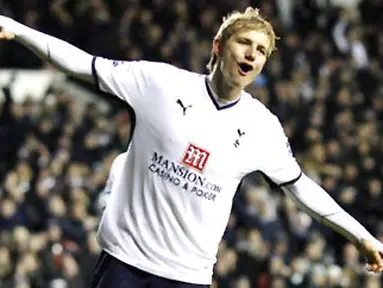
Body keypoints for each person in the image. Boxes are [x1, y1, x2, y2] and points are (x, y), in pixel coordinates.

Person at [1, 7, 383, 288]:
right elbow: (84, 65)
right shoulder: (159, 83)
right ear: (218, 45)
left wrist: (359, 235)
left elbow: (300, 188)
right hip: (124, 263)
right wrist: (17, 29)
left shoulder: (263, 127)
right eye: (244, 43)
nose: (251, 54)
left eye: (261, 50)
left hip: (188, 277)